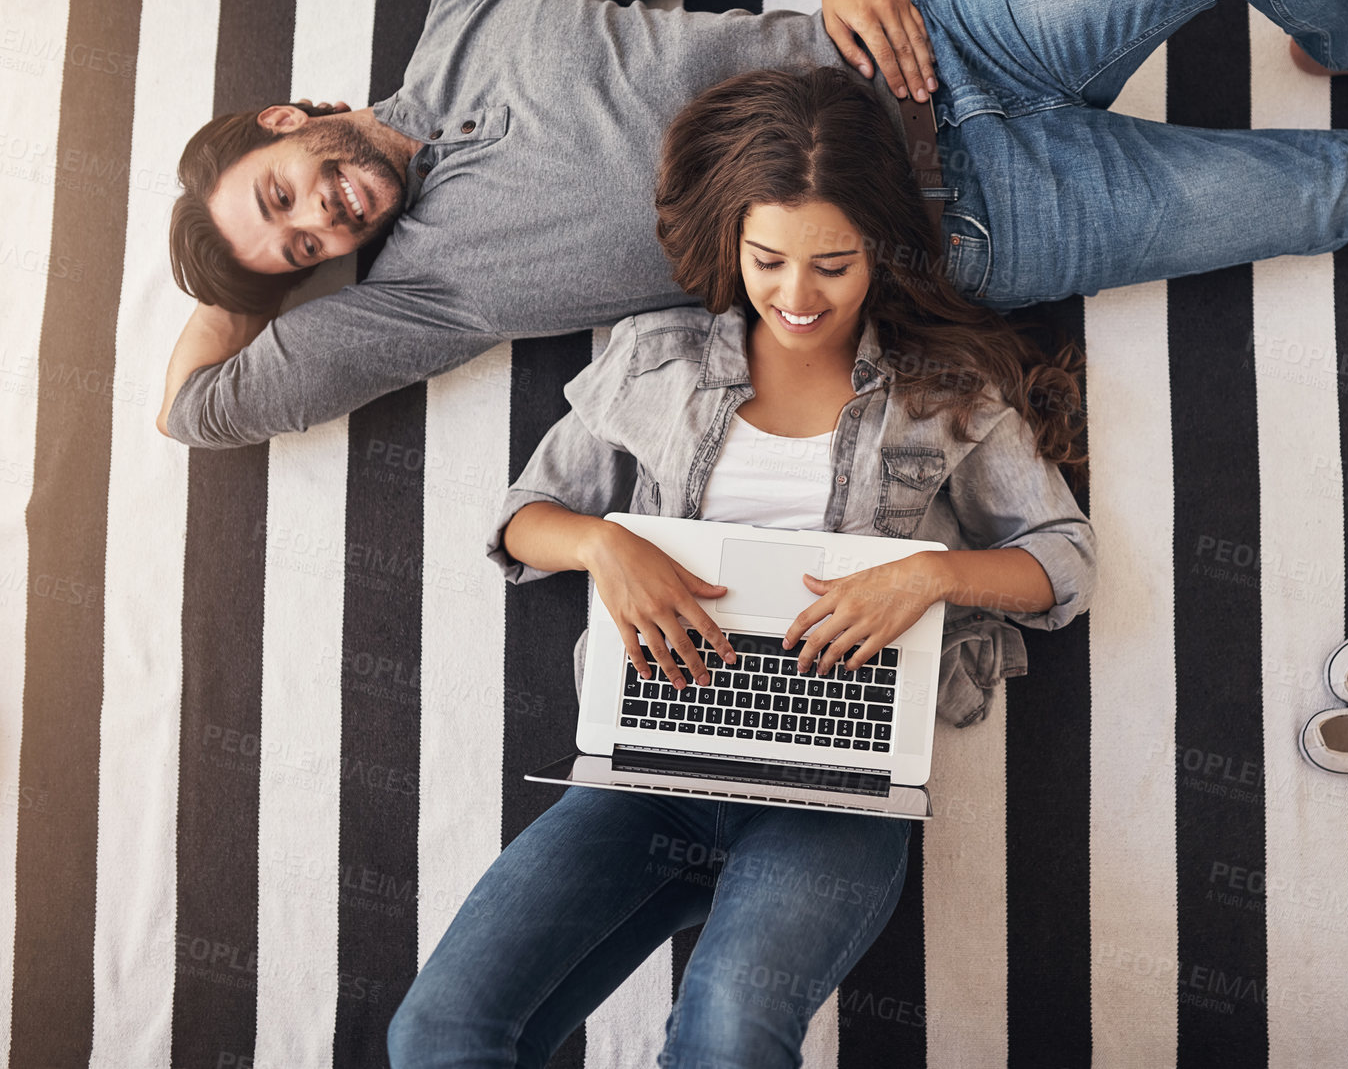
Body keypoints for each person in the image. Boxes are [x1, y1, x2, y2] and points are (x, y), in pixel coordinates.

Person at [154, 0, 1348, 451]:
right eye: (292, 246)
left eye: (284, 189)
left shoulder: (477, 0)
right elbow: (200, 412)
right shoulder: (415, 295)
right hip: (969, 224)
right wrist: (221, 283)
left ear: (298, 114)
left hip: (938, 41)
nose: (317, 219)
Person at [384, 65, 1095, 1067]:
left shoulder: (948, 389)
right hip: (647, 768)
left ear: (878, 251)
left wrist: (931, 574)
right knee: (437, 1031)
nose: (795, 296)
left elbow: (1061, 561)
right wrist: (602, 542)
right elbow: (520, 520)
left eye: (833, 265)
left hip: (835, 787)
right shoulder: (654, 358)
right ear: (732, 239)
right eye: (768, 261)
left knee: (725, 1039)